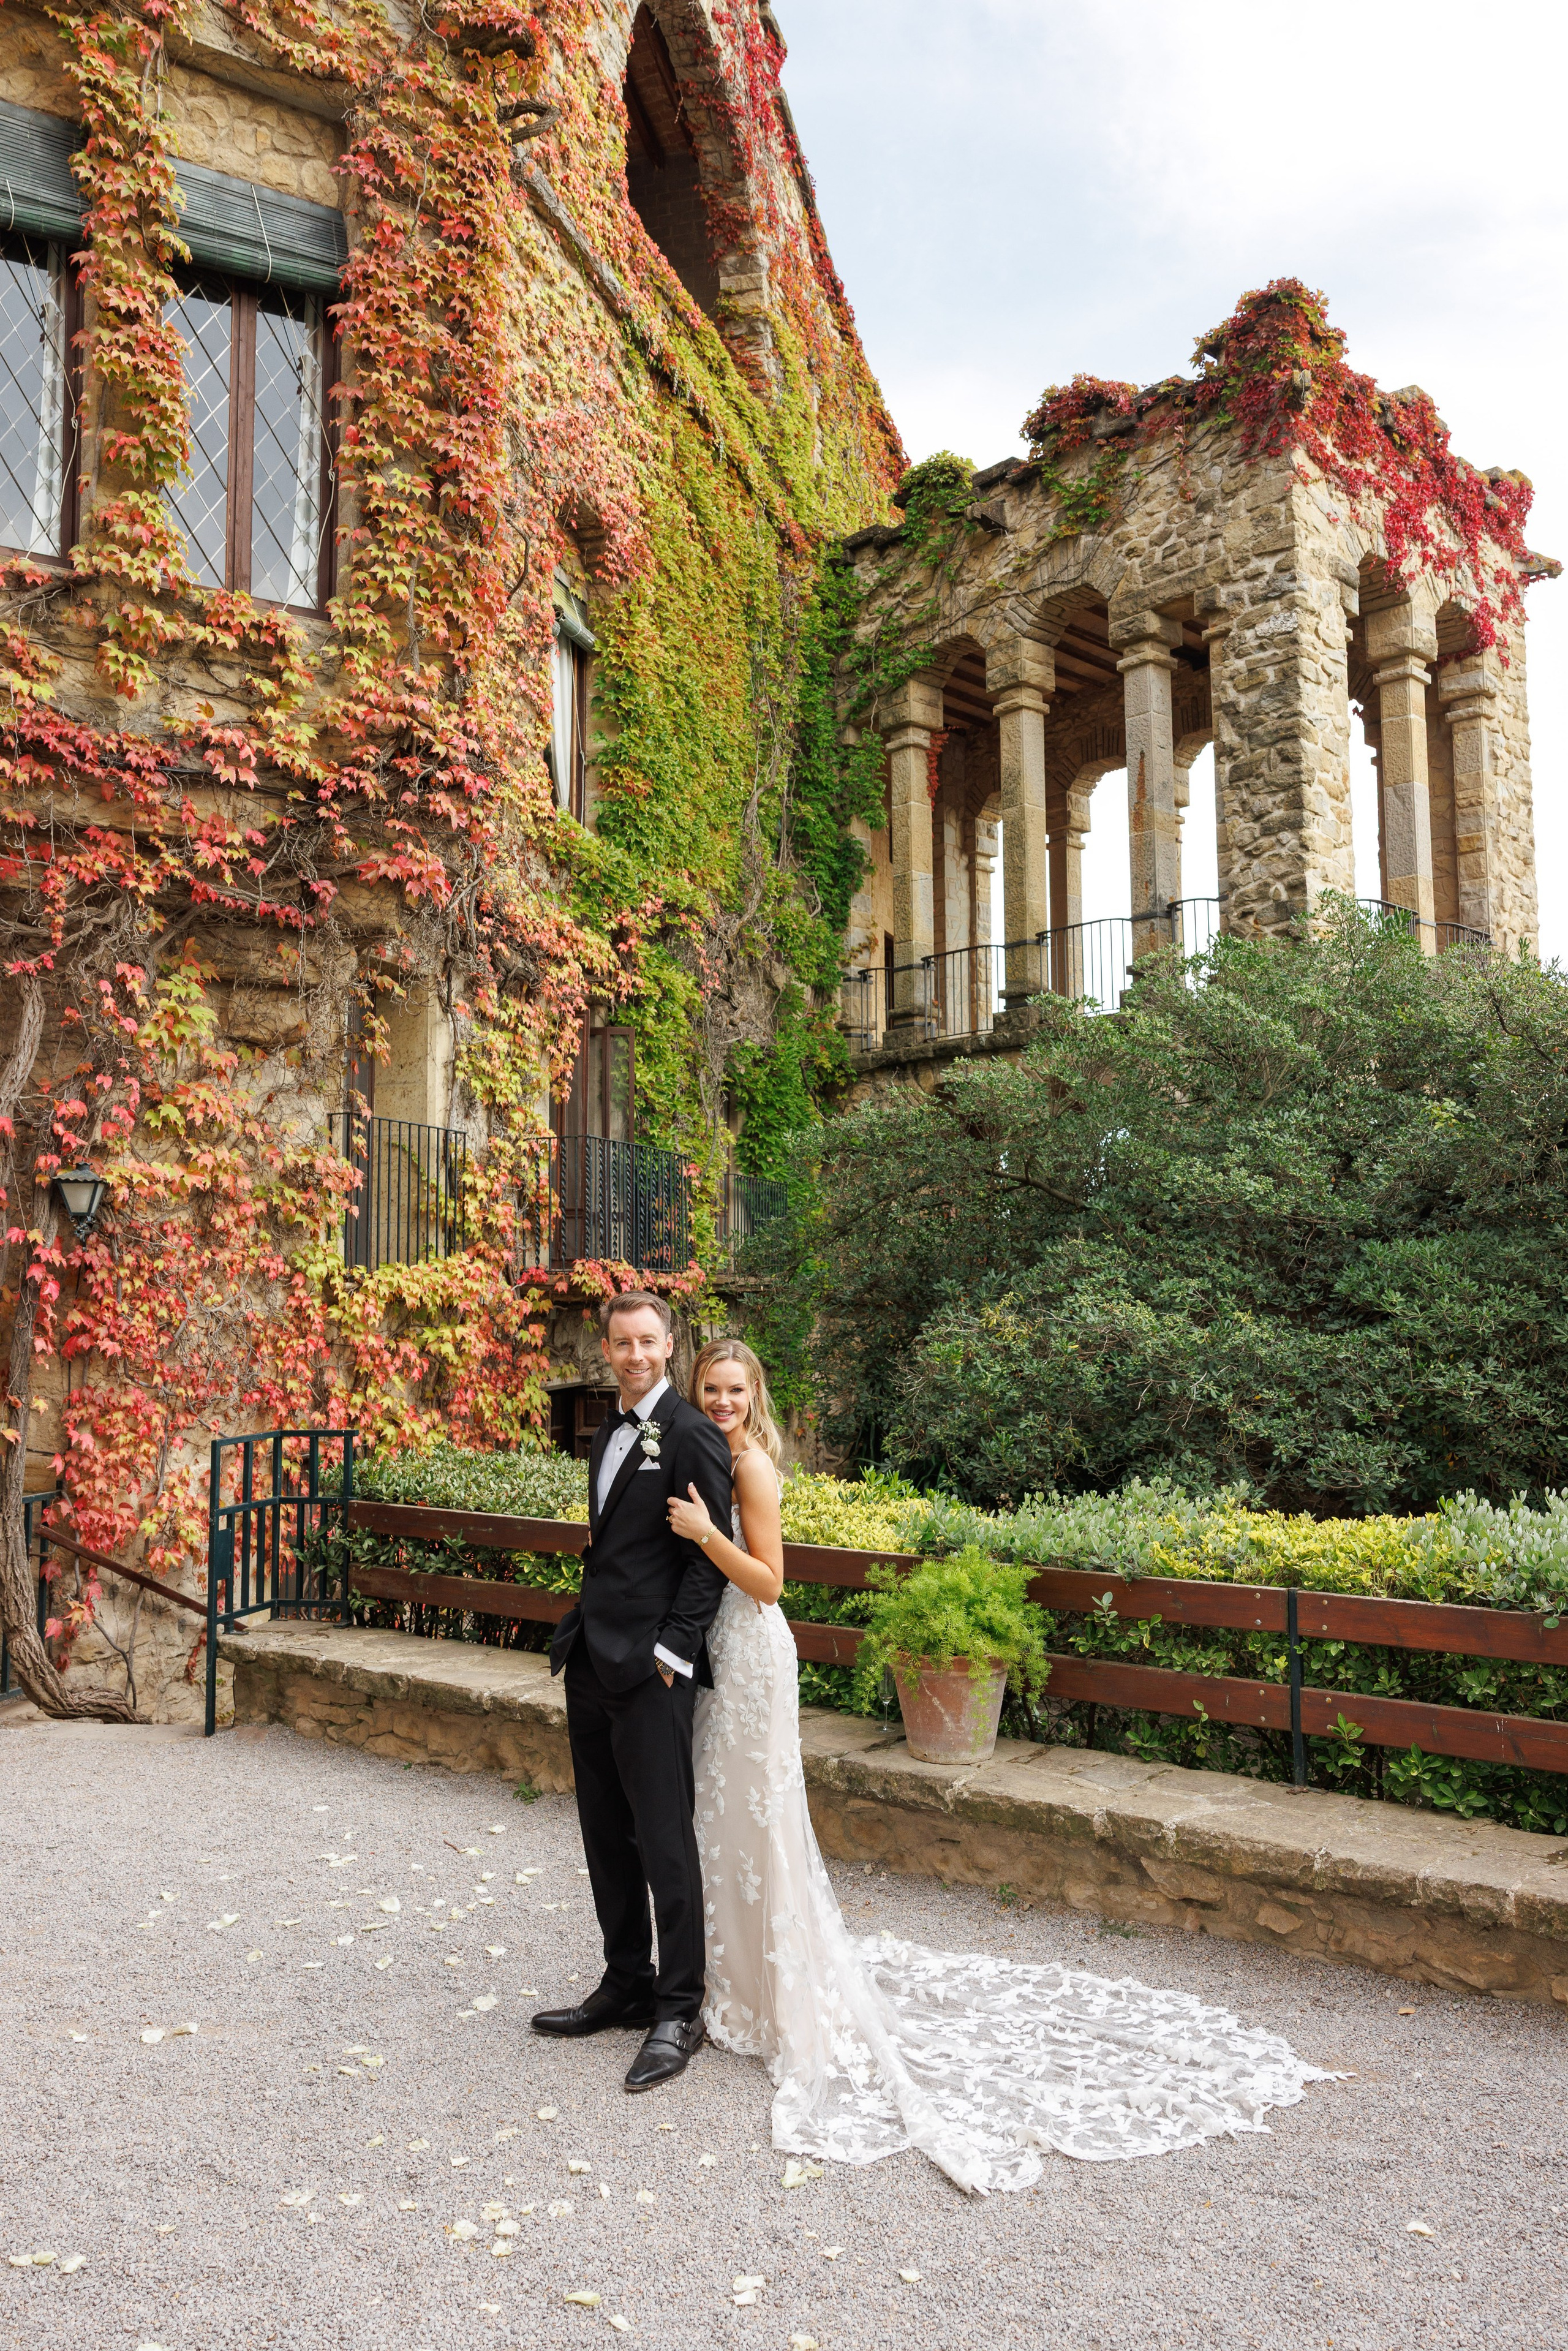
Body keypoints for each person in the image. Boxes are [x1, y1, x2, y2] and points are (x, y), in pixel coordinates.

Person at [669, 1338, 1332, 2194]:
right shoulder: (707, 1456)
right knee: (725, 1818)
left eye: (735, 1389)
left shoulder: (752, 1466)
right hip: (721, 1659)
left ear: (755, 1393)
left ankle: (773, 1995)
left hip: (756, 1656)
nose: (722, 1401)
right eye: (711, 1388)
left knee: (759, 1820)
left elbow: (769, 1582)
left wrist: (704, 1534)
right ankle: (733, 1981)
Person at [532, 1292, 734, 2093]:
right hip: (591, 1659)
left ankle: (680, 2008)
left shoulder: (691, 1434)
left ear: (670, 1345)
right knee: (605, 1834)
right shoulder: (606, 1429)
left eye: (649, 1341)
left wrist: (672, 1651)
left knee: (664, 1839)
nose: (636, 1354)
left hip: (653, 1671)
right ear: (608, 1349)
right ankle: (626, 1981)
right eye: (623, 1343)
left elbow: (708, 1559)